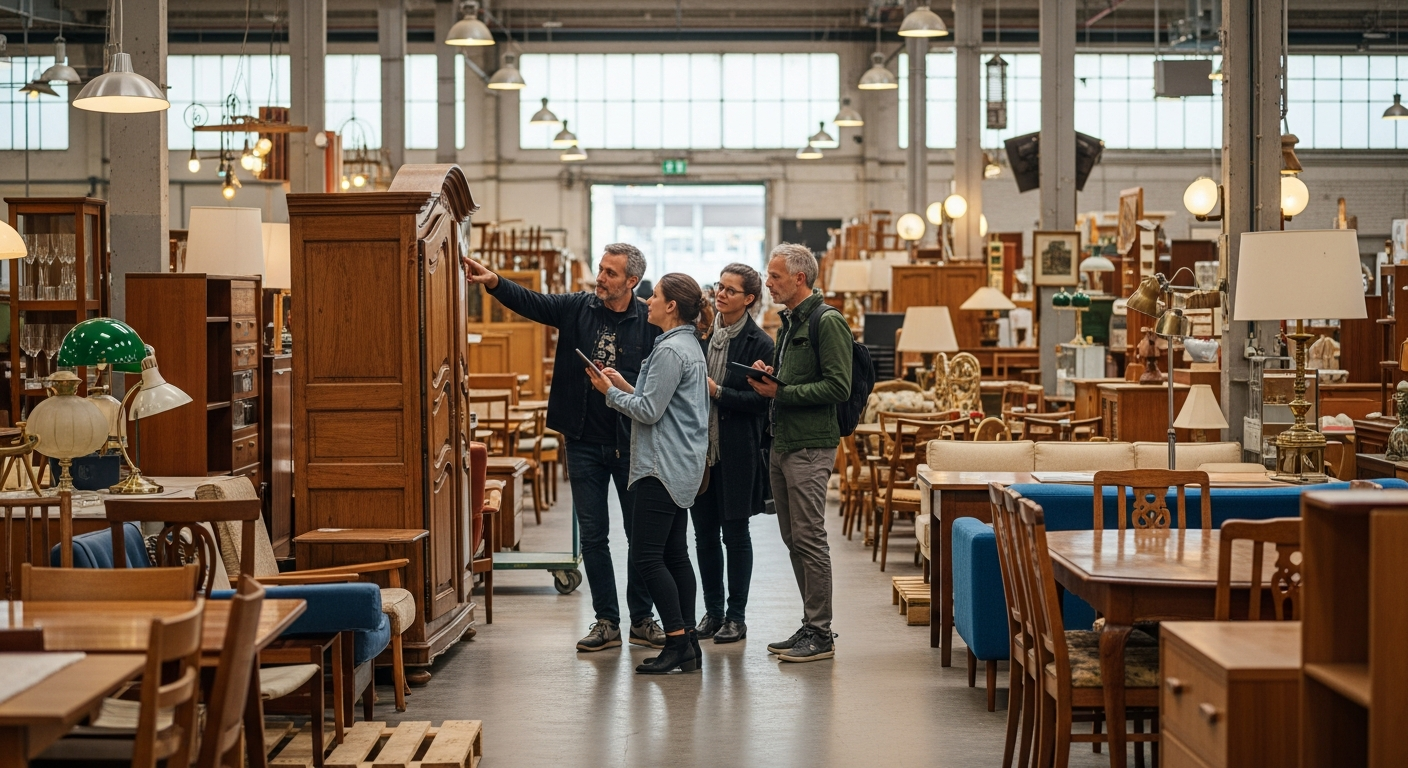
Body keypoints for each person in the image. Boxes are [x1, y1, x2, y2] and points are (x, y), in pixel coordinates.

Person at [464, 244, 666, 654]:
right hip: (583, 441)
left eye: (610, 273)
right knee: (593, 536)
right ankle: (607, 621)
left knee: (639, 535)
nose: (600, 278)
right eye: (601, 269)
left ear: (632, 281)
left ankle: (642, 619)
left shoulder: (650, 322)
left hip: (632, 444)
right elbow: (533, 302)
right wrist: (495, 282)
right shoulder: (578, 307)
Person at [588, 273, 711, 674]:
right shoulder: (686, 345)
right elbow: (660, 401)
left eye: (654, 296)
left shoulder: (671, 349)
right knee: (674, 554)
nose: (647, 302)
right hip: (680, 463)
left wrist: (609, 393)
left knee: (646, 556)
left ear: (671, 306)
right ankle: (688, 642)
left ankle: (675, 640)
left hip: (661, 465)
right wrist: (623, 384)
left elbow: (648, 411)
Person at [747, 243, 852, 663]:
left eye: (774, 277)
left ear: (799, 278)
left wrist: (782, 392)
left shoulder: (827, 321)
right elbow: (796, 379)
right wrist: (773, 376)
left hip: (810, 445)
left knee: (809, 537)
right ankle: (811, 624)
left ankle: (821, 633)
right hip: (784, 441)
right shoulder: (789, 322)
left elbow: (838, 386)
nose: (768, 283)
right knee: (794, 539)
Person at [692, 264, 774, 645]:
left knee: (736, 535)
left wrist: (719, 393)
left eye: (730, 290)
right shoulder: (704, 335)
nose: (720, 294)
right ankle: (712, 612)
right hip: (701, 453)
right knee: (704, 535)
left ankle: (736, 617)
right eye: (718, 287)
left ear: (749, 299)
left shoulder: (761, 344)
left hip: (737, 451)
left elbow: (761, 404)